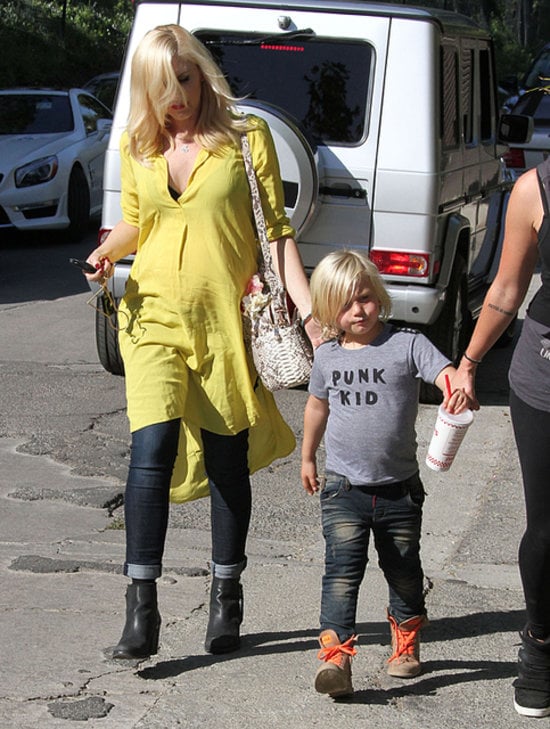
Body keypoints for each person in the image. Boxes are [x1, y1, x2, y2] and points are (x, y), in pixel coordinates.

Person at [82, 24, 321, 660]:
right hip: (152, 315)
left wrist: (309, 313)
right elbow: (136, 221)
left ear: (202, 74)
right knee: (150, 447)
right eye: (163, 89)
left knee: (224, 458)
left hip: (224, 321)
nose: (177, 99)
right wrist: (106, 254)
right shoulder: (139, 146)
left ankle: (226, 593)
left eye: (185, 81)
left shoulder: (245, 139)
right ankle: (142, 609)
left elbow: (275, 233)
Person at [301, 249, 471, 698]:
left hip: (398, 490)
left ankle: (406, 641)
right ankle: (335, 657)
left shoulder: (407, 344)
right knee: (341, 571)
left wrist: (456, 387)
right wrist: (307, 456)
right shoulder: (328, 357)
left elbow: (444, 371)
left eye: (365, 298)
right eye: (344, 304)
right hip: (342, 487)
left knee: (402, 568)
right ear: (326, 311)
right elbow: (317, 407)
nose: (357, 310)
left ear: (378, 295)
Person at [452, 159, 550, 718]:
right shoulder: (535, 188)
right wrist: (468, 363)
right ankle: (540, 643)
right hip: (544, 375)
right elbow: (507, 287)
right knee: (547, 528)